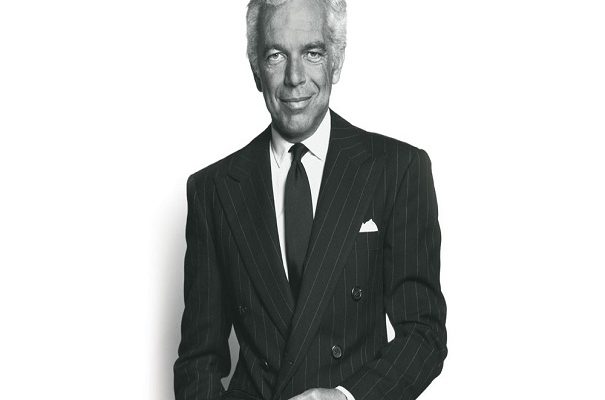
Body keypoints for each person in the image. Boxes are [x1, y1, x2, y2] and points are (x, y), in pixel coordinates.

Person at [173, 0, 447, 399]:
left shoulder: (398, 170)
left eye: (312, 53)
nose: (294, 77)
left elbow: (424, 334)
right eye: (276, 55)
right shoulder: (213, 190)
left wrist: (346, 398)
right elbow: (198, 361)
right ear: (255, 68)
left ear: (336, 60)